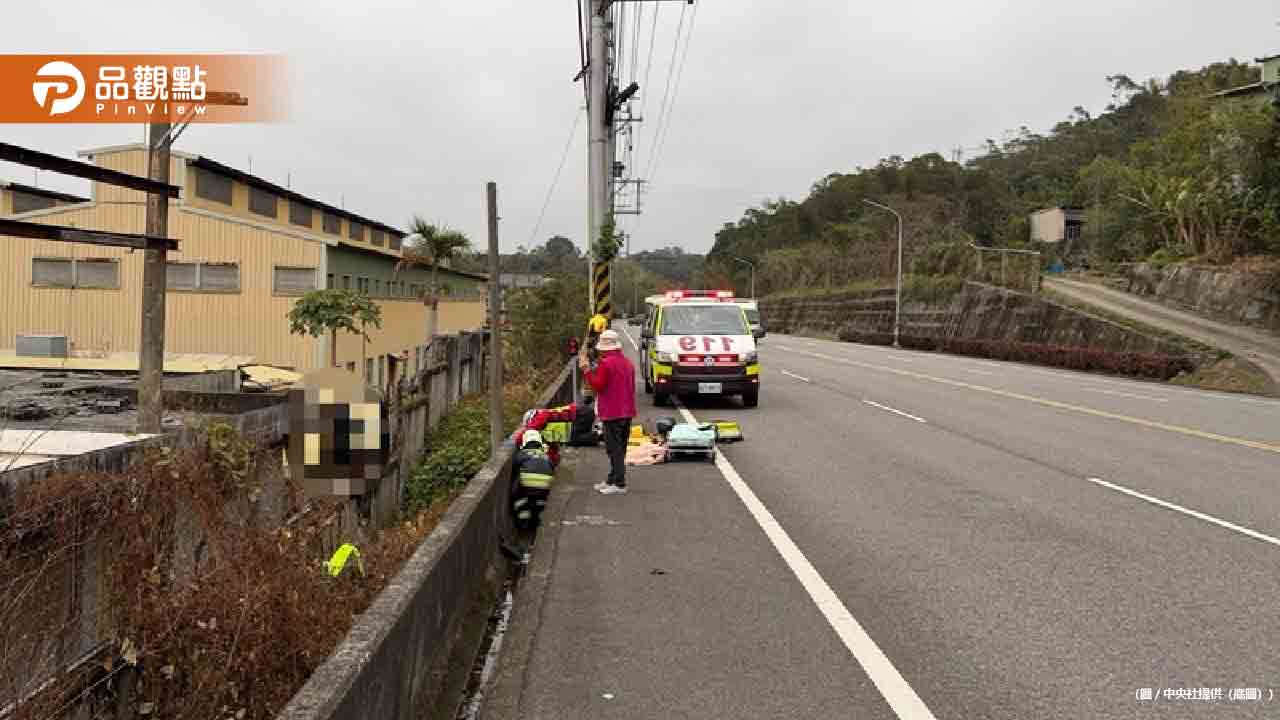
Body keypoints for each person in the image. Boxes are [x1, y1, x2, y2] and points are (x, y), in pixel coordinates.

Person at [579, 329, 636, 495]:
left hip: (612, 411)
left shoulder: (606, 363)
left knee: (613, 448)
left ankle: (619, 483)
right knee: (620, 447)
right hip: (627, 410)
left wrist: (586, 370)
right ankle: (612, 478)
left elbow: (598, 385)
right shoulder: (628, 363)